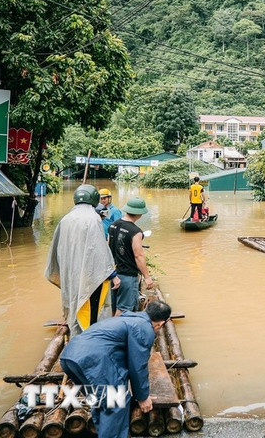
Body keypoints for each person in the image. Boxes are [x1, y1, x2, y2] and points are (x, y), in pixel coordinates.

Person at [60, 300, 172, 438]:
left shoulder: (127, 318)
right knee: (118, 401)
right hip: (92, 361)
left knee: (100, 400)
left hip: (69, 357)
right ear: (161, 323)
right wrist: (142, 396)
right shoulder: (144, 327)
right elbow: (138, 366)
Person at [45, 184, 119, 336]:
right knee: (90, 308)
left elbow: (56, 250)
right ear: (94, 199)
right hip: (89, 274)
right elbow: (99, 250)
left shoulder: (66, 219)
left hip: (71, 272)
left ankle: (76, 335)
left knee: (74, 302)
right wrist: (113, 275)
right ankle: (89, 337)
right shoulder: (93, 219)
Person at [107, 197, 155, 316]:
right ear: (140, 214)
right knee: (124, 308)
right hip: (127, 275)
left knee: (114, 306)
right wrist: (147, 277)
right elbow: (138, 255)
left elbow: (107, 248)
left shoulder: (113, 225)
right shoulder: (135, 231)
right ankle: (115, 332)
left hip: (113, 273)